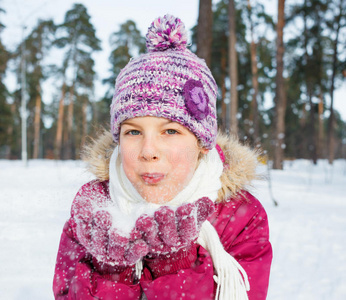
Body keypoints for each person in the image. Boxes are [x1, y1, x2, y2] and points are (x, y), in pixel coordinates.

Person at [53, 14, 272, 300]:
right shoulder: (95, 212)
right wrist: (110, 270)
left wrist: (174, 266)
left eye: (170, 131)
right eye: (133, 132)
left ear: (202, 142)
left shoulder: (240, 218)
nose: (148, 151)